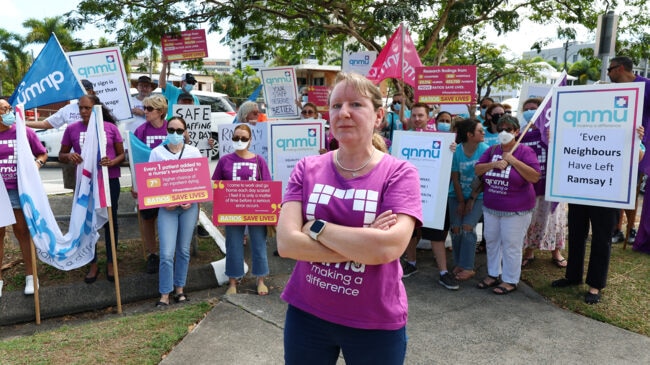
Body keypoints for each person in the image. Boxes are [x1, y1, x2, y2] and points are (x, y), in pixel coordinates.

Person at [276, 72, 422, 364]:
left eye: (356, 104)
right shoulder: (307, 168)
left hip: (374, 321)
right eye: (335, 105)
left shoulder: (400, 174)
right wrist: (363, 242)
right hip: (307, 315)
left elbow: (387, 248)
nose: (343, 113)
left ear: (379, 116)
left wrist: (315, 227)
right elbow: (287, 244)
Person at [59, 95, 125, 284]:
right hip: (86, 183)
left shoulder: (110, 128)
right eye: (81, 108)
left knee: (110, 221)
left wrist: (112, 162)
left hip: (108, 181)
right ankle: (92, 262)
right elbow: (62, 154)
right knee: (88, 221)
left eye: (87, 108)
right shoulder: (72, 129)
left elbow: (121, 154)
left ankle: (111, 261)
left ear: (96, 108)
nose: (83, 112)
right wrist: (69, 156)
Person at [474, 115, 540, 295]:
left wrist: (513, 161)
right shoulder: (492, 149)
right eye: (500, 129)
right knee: (492, 241)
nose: (504, 132)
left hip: (516, 209)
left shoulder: (525, 152)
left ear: (517, 131)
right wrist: (494, 164)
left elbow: (534, 176)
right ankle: (493, 273)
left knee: (512, 244)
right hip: (492, 207)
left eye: (508, 129)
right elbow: (478, 169)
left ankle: (510, 279)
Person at [401, 103, 459, 290]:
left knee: (436, 235)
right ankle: (411, 263)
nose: (417, 119)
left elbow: (449, 165)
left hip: (432, 194)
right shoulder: (402, 139)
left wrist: (452, 149)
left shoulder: (442, 140)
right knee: (409, 232)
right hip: (409, 195)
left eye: (421, 115)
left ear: (428, 118)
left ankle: (443, 272)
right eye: (414, 115)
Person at [212, 124, 272, 295]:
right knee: (233, 245)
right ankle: (233, 281)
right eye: (236, 137)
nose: (239, 141)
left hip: (256, 209)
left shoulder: (259, 160)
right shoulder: (224, 160)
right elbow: (216, 185)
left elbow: (267, 186)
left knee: (259, 243)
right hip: (232, 209)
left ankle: (260, 279)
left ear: (250, 140)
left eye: (244, 138)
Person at [149, 116, 202, 307]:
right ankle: (164, 293)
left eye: (179, 131)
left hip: (188, 208)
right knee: (166, 253)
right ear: (166, 130)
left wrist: (193, 200)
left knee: (183, 250)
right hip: (167, 209)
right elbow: (151, 184)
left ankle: (180, 289)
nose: (175, 134)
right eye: (171, 130)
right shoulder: (156, 153)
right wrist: (164, 203)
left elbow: (200, 182)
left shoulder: (194, 152)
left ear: (185, 132)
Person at [0, 99, 48, 296]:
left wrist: (36, 165)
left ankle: (31, 275)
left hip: (18, 190)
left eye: (7, 108)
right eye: (2, 109)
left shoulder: (23, 131)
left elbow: (42, 153)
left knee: (22, 232)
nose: (6, 112)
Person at [606, 56, 650, 254]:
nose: (608, 73)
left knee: (633, 190)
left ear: (621, 68)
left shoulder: (646, 86)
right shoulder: (612, 89)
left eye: (610, 69)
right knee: (616, 189)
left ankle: (631, 229)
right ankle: (616, 228)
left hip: (640, 146)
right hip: (614, 145)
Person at [519, 98, 567, 268]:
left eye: (534, 108)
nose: (530, 111)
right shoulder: (520, 134)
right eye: (527, 109)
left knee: (553, 219)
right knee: (531, 220)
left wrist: (554, 138)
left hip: (550, 186)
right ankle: (529, 251)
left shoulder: (551, 131)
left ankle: (556, 251)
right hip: (529, 187)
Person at [132, 94, 169, 273]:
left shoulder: (172, 129)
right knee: (148, 219)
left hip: (169, 182)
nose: (144, 111)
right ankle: (153, 254)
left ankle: (167, 254)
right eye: (144, 108)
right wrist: (135, 184)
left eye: (148, 109)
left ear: (160, 112)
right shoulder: (141, 130)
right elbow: (134, 159)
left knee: (167, 218)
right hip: (148, 182)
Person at [449, 119, 489, 281]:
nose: (483, 132)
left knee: (467, 227)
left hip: (478, 195)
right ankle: (459, 263)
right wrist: (461, 201)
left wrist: (471, 199)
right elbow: (455, 179)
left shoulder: (485, 150)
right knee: (456, 229)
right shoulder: (457, 151)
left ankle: (468, 267)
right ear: (469, 134)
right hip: (456, 195)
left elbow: (483, 178)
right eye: (480, 130)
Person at [26, 79, 95, 130]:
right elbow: (46, 124)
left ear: (91, 92)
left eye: (81, 90)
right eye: (76, 90)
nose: (78, 93)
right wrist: (23, 123)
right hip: (74, 149)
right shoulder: (68, 109)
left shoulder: (99, 108)